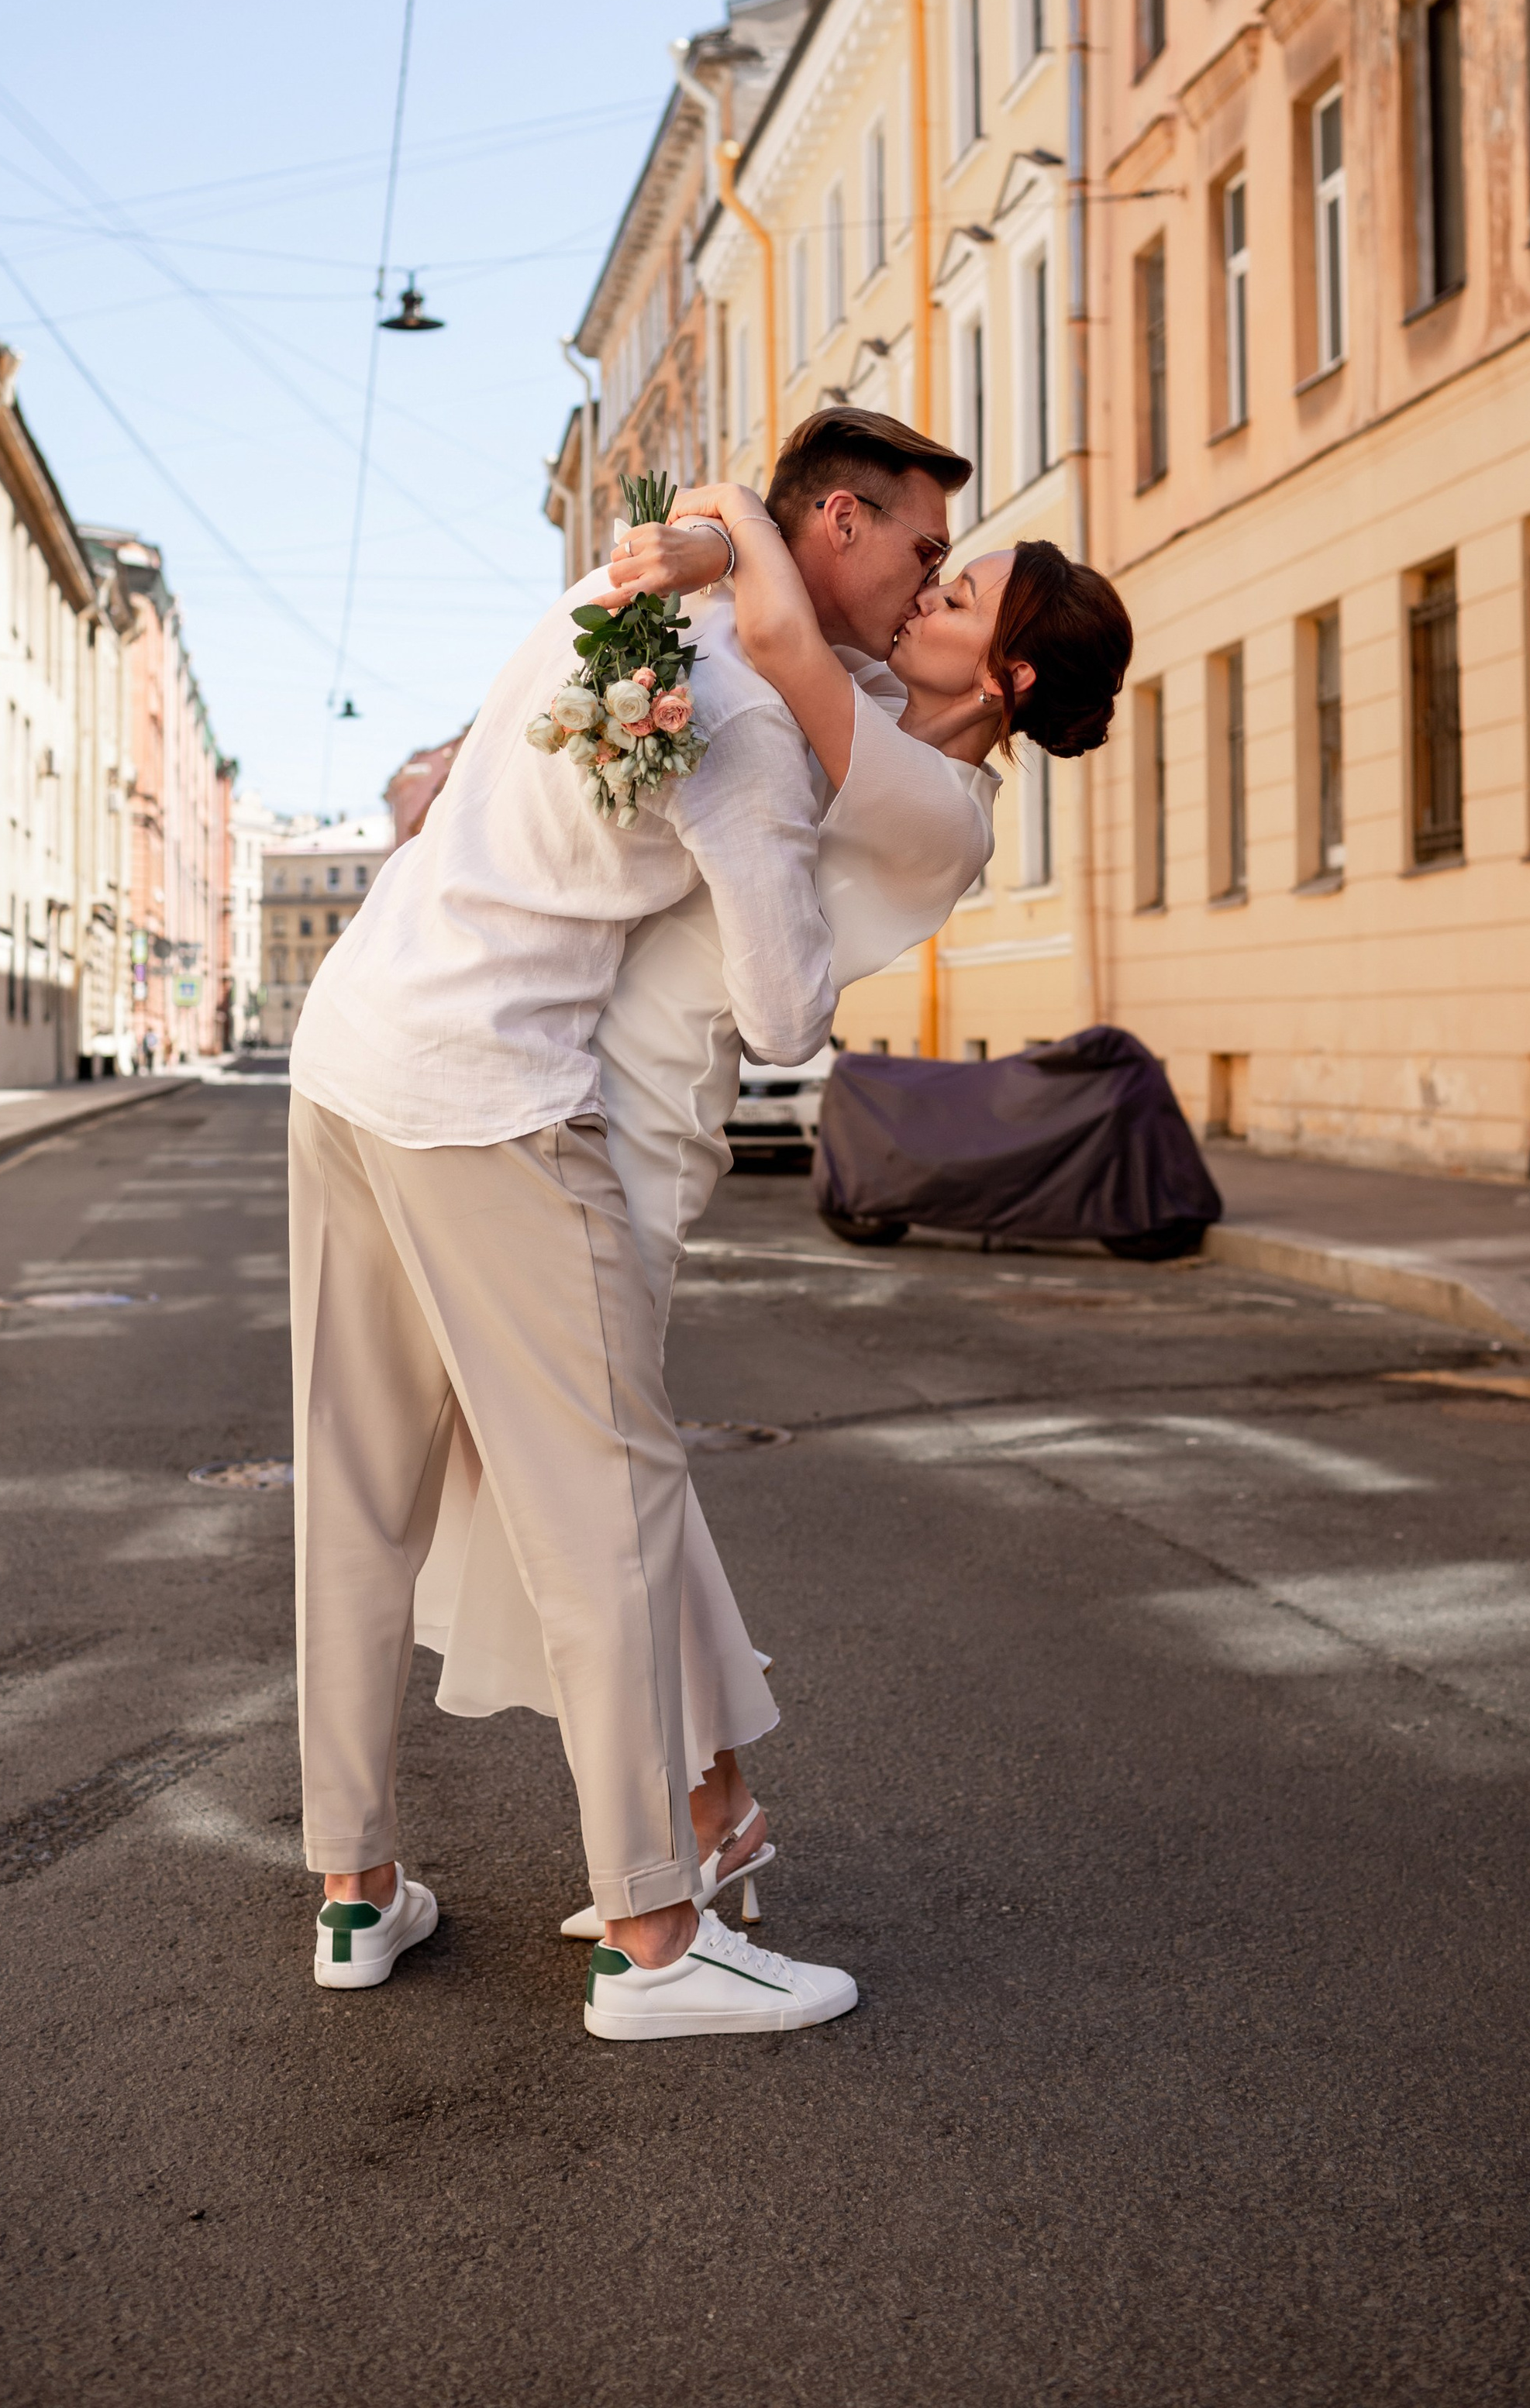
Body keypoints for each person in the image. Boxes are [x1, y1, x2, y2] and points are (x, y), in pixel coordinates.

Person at [415, 410, 1133, 1939]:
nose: (926, 591)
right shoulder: (882, 708)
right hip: (588, 1062)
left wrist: (728, 519)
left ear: (1007, 680)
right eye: (933, 567)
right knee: (585, 1462)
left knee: (592, 1469)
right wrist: (707, 530)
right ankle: (705, 1803)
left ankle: (708, 1806)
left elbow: (779, 631)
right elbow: (779, 607)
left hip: (648, 1103)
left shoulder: (935, 803)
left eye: (957, 592)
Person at [284, 504, 867, 2041]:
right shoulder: (752, 728)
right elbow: (785, 1018)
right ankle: (656, 1937)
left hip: (347, 1039)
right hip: (488, 1093)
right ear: (835, 528)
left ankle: (355, 1892)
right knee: (610, 1509)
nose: (927, 579)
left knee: (356, 1492)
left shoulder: (604, 599)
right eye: (922, 551)